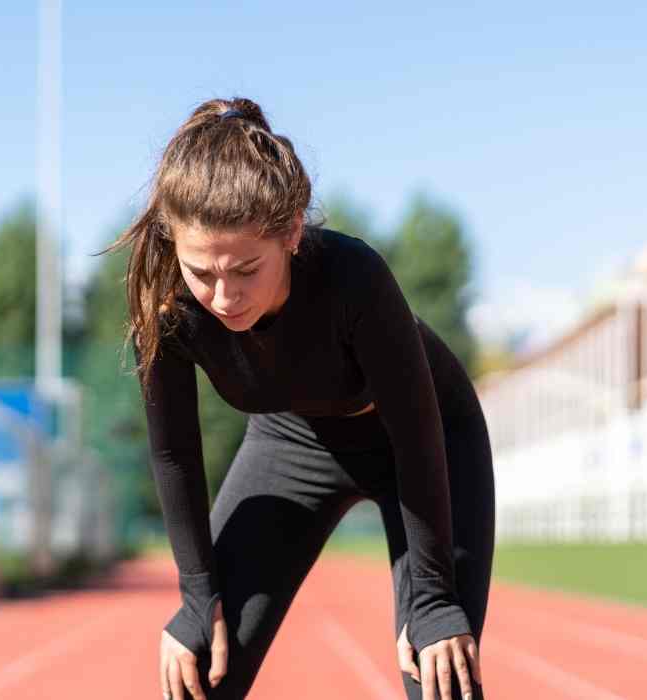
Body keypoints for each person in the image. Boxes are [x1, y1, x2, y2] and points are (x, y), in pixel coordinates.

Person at [105, 96, 495, 700]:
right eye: (202, 272)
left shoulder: (354, 278)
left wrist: (435, 599)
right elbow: (176, 453)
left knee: (439, 674)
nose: (224, 295)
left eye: (245, 270)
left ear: (290, 233)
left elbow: (418, 442)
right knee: (199, 667)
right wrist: (194, 594)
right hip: (292, 438)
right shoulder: (164, 300)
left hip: (423, 443)